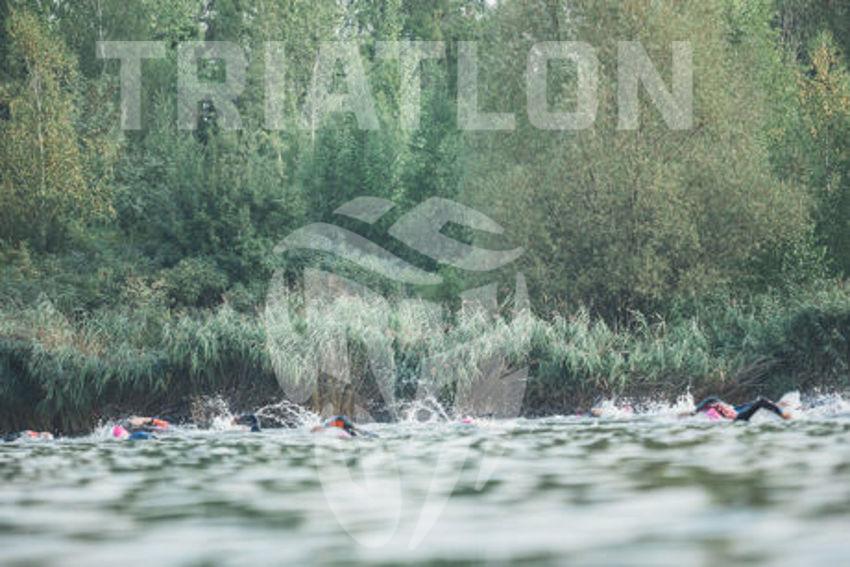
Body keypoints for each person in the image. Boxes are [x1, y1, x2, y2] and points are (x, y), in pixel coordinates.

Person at [691, 395, 792, 421]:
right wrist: (695, 412)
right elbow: (761, 402)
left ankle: (781, 410)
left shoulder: (735, 408)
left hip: (737, 411)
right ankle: (783, 415)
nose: (722, 408)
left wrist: (777, 405)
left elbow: (754, 404)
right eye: (720, 409)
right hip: (739, 418)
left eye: (723, 406)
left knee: (759, 402)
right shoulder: (737, 415)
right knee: (761, 401)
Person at [311, 415, 377, 438]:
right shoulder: (327, 425)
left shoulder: (329, 425)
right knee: (354, 431)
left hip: (342, 421)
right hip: (340, 421)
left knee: (354, 431)